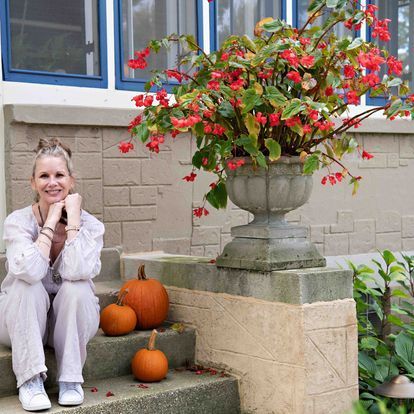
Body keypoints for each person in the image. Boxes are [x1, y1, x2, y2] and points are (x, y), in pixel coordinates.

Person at [0, 138, 104, 411]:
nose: (52, 182)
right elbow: (32, 271)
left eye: (59, 175)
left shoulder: (92, 226)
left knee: (77, 287)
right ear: (33, 183)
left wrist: (72, 224)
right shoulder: (17, 222)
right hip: (19, 318)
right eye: (44, 176)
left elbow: (77, 270)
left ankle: (70, 380)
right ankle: (31, 380)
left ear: (71, 181)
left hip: (70, 320)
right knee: (27, 285)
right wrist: (49, 222)